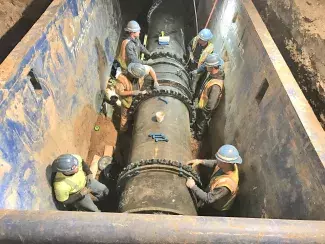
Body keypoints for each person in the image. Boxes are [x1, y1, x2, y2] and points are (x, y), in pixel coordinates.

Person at [185, 144, 242, 216]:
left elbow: (209, 199)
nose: (217, 160)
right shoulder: (230, 165)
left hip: (216, 210)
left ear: (225, 163)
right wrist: (200, 161)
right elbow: (215, 163)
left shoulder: (226, 185)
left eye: (219, 159)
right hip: (212, 196)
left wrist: (192, 186)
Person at [115, 62, 159, 132]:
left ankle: (133, 120)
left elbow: (150, 69)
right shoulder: (122, 79)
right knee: (125, 116)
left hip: (136, 97)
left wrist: (155, 81)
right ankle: (123, 130)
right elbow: (119, 92)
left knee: (134, 111)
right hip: (127, 101)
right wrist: (133, 92)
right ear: (132, 75)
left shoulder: (140, 70)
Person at [193, 53, 225, 141]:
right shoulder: (213, 74)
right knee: (199, 121)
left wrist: (204, 111)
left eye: (207, 65)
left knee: (201, 123)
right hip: (202, 105)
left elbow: (211, 104)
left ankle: (198, 138)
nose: (205, 66)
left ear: (212, 67)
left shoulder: (216, 85)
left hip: (205, 109)